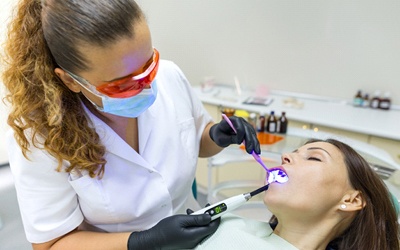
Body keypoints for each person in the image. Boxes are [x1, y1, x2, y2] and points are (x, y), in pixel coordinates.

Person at [1, 0, 260, 249]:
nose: (146, 86)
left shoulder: (170, 77)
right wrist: (145, 241)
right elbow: (51, 243)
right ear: (70, 81)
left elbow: (197, 142)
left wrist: (215, 135)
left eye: (149, 66)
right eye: (122, 84)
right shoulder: (40, 133)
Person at [195, 139, 400, 250]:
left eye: (314, 158)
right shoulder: (225, 223)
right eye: (293, 152)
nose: (286, 156)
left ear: (351, 199)